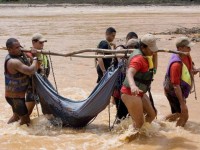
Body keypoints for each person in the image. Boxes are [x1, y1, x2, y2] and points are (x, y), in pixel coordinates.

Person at [121, 34, 158, 130]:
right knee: (139, 124)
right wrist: (133, 86)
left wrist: (155, 54)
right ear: (143, 47)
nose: (153, 51)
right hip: (130, 92)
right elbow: (129, 72)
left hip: (140, 92)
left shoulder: (147, 55)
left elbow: (154, 70)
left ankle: (141, 138)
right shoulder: (139, 59)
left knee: (152, 115)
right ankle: (126, 141)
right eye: (151, 49)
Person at [163, 37, 198, 127]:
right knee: (183, 115)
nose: (190, 49)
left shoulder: (186, 55)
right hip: (172, 91)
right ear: (180, 48)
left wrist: (194, 70)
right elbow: (175, 86)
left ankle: (162, 123)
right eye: (188, 47)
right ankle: (177, 134)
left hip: (177, 90)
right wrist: (182, 103)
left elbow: (190, 66)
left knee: (178, 113)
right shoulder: (176, 64)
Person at [4, 38, 38, 126]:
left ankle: (5, 130)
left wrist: (29, 55)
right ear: (9, 49)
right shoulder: (13, 62)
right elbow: (30, 70)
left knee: (16, 117)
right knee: (26, 120)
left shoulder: (17, 56)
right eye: (17, 47)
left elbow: (28, 61)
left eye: (20, 46)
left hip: (13, 96)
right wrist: (35, 57)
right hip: (16, 98)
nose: (20, 49)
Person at [112, 32, 139, 121]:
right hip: (119, 87)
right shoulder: (121, 48)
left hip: (131, 87)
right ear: (127, 41)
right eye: (131, 45)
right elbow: (119, 56)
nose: (133, 48)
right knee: (121, 115)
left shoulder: (139, 53)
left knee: (131, 114)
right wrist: (129, 55)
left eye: (135, 46)